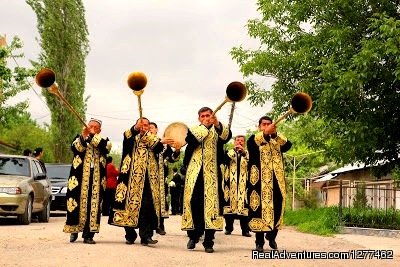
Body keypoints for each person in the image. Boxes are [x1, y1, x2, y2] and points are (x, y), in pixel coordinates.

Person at [109, 117, 174, 246]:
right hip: (130, 178)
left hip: (149, 179)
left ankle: (146, 236)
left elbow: (159, 148)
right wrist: (136, 129)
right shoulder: (130, 135)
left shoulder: (152, 138)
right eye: (141, 124)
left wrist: (151, 137)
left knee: (148, 206)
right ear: (137, 124)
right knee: (127, 206)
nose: (144, 126)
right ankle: (130, 234)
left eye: (146, 125)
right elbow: (128, 135)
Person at [181, 107, 232, 253]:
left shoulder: (218, 130)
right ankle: (193, 236)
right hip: (195, 174)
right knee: (194, 204)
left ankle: (209, 241)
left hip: (213, 175)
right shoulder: (194, 130)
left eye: (208, 115)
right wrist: (206, 126)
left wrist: (216, 124)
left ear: (213, 115)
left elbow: (227, 137)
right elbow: (190, 141)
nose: (206, 117)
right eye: (203, 116)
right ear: (199, 118)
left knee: (213, 206)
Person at [247, 115, 292, 252]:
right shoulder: (253, 139)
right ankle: (259, 242)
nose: (266, 126)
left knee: (278, 208)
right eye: (264, 124)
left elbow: (288, 145)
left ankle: (272, 236)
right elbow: (254, 144)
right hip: (259, 183)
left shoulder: (277, 141)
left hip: (277, 182)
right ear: (259, 126)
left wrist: (275, 134)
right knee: (259, 211)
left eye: (269, 124)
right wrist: (266, 134)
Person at [63, 118, 111, 244]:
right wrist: (84, 136)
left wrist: (92, 136)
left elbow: (105, 148)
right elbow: (76, 148)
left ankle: (89, 235)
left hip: (97, 178)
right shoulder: (79, 137)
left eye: (95, 127)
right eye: (90, 126)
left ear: (99, 130)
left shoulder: (104, 140)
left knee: (94, 205)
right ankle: (74, 230)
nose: (92, 128)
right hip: (78, 177)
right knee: (75, 203)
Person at [149, 122, 181, 235]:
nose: (149, 129)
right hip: (147, 177)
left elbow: (172, 159)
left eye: (151, 127)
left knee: (161, 201)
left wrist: (177, 150)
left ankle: (160, 226)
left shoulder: (165, 145)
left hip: (161, 178)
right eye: (148, 128)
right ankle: (148, 227)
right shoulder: (145, 142)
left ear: (157, 130)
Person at [222, 135, 251, 237]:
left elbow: (251, 164)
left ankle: (245, 230)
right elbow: (224, 161)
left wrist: (243, 153)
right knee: (229, 206)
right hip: (230, 184)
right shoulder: (229, 152)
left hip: (244, 185)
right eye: (238, 140)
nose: (239, 142)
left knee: (244, 207)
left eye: (242, 141)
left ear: (244, 143)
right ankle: (228, 228)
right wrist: (234, 152)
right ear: (234, 142)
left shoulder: (247, 153)